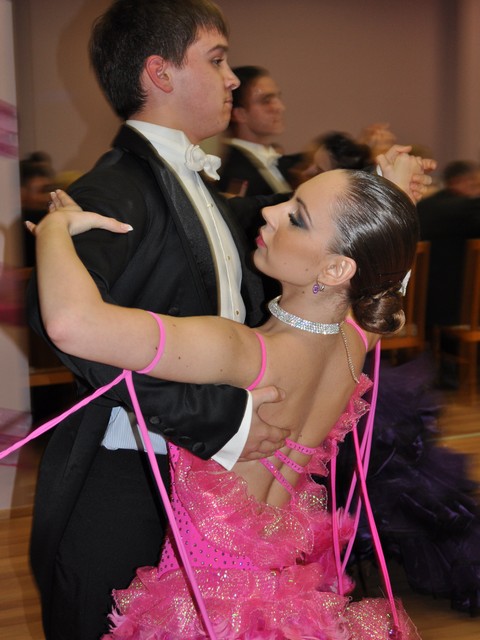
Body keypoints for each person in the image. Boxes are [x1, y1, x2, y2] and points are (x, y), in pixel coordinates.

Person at [28, 161, 422, 639]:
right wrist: (397, 198)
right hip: (280, 606)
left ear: (337, 268)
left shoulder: (243, 352)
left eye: (297, 217)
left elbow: (71, 324)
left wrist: (54, 230)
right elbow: (386, 279)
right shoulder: (352, 344)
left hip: (206, 613)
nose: (271, 212)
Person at [26, 2, 289, 638]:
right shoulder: (112, 190)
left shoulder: (187, 181)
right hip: (132, 476)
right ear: (160, 73)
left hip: (198, 471)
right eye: (217, 59)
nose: (232, 79)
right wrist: (217, 418)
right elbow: (70, 330)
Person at [217, 65, 301, 198]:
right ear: (239, 114)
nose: (280, 107)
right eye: (266, 101)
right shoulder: (236, 173)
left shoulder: (286, 164)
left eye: (278, 98)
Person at [417, 159, 480, 331]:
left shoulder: (426, 207)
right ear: (459, 181)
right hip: (455, 308)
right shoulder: (464, 209)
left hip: (423, 304)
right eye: (475, 184)